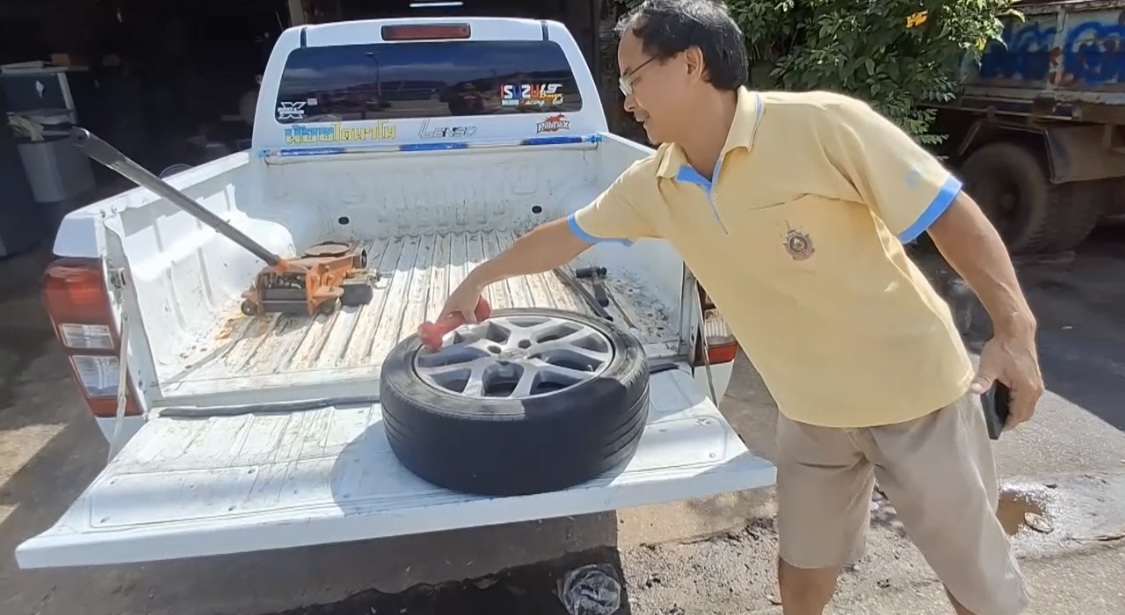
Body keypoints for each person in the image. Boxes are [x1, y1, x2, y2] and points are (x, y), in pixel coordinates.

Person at [438, 1, 1043, 613]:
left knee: (976, 587)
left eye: (632, 78)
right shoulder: (656, 184)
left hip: (916, 398)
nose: (627, 100)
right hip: (811, 415)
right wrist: (480, 278)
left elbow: (948, 211)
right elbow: (568, 235)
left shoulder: (822, 127)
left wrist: (1014, 329)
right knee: (801, 573)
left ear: (691, 64)